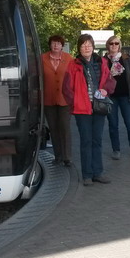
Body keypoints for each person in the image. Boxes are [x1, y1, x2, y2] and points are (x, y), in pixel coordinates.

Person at [63, 34, 116, 186]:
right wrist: (75, 103)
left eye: (89, 45)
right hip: (82, 110)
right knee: (86, 141)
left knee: (97, 141)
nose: (86, 48)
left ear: (93, 47)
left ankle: (98, 173)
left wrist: (106, 90)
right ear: (79, 48)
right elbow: (66, 89)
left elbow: (110, 80)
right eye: (83, 45)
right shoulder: (73, 65)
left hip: (98, 107)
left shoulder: (102, 62)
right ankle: (87, 174)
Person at [103, 35, 130, 159]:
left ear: (119, 45)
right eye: (111, 43)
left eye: (116, 43)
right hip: (111, 96)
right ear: (108, 46)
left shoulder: (126, 58)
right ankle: (116, 150)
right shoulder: (103, 60)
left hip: (126, 95)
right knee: (113, 124)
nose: (114, 46)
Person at [42, 35, 74, 167]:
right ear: (50, 45)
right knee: (54, 128)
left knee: (65, 127)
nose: (56, 45)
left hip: (65, 99)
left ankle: (67, 157)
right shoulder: (42, 58)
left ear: (62, 45)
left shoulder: (69, 59)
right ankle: (58, 156)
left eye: (58, 43)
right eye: (53, 43)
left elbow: (73, 77)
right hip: (48, 99)